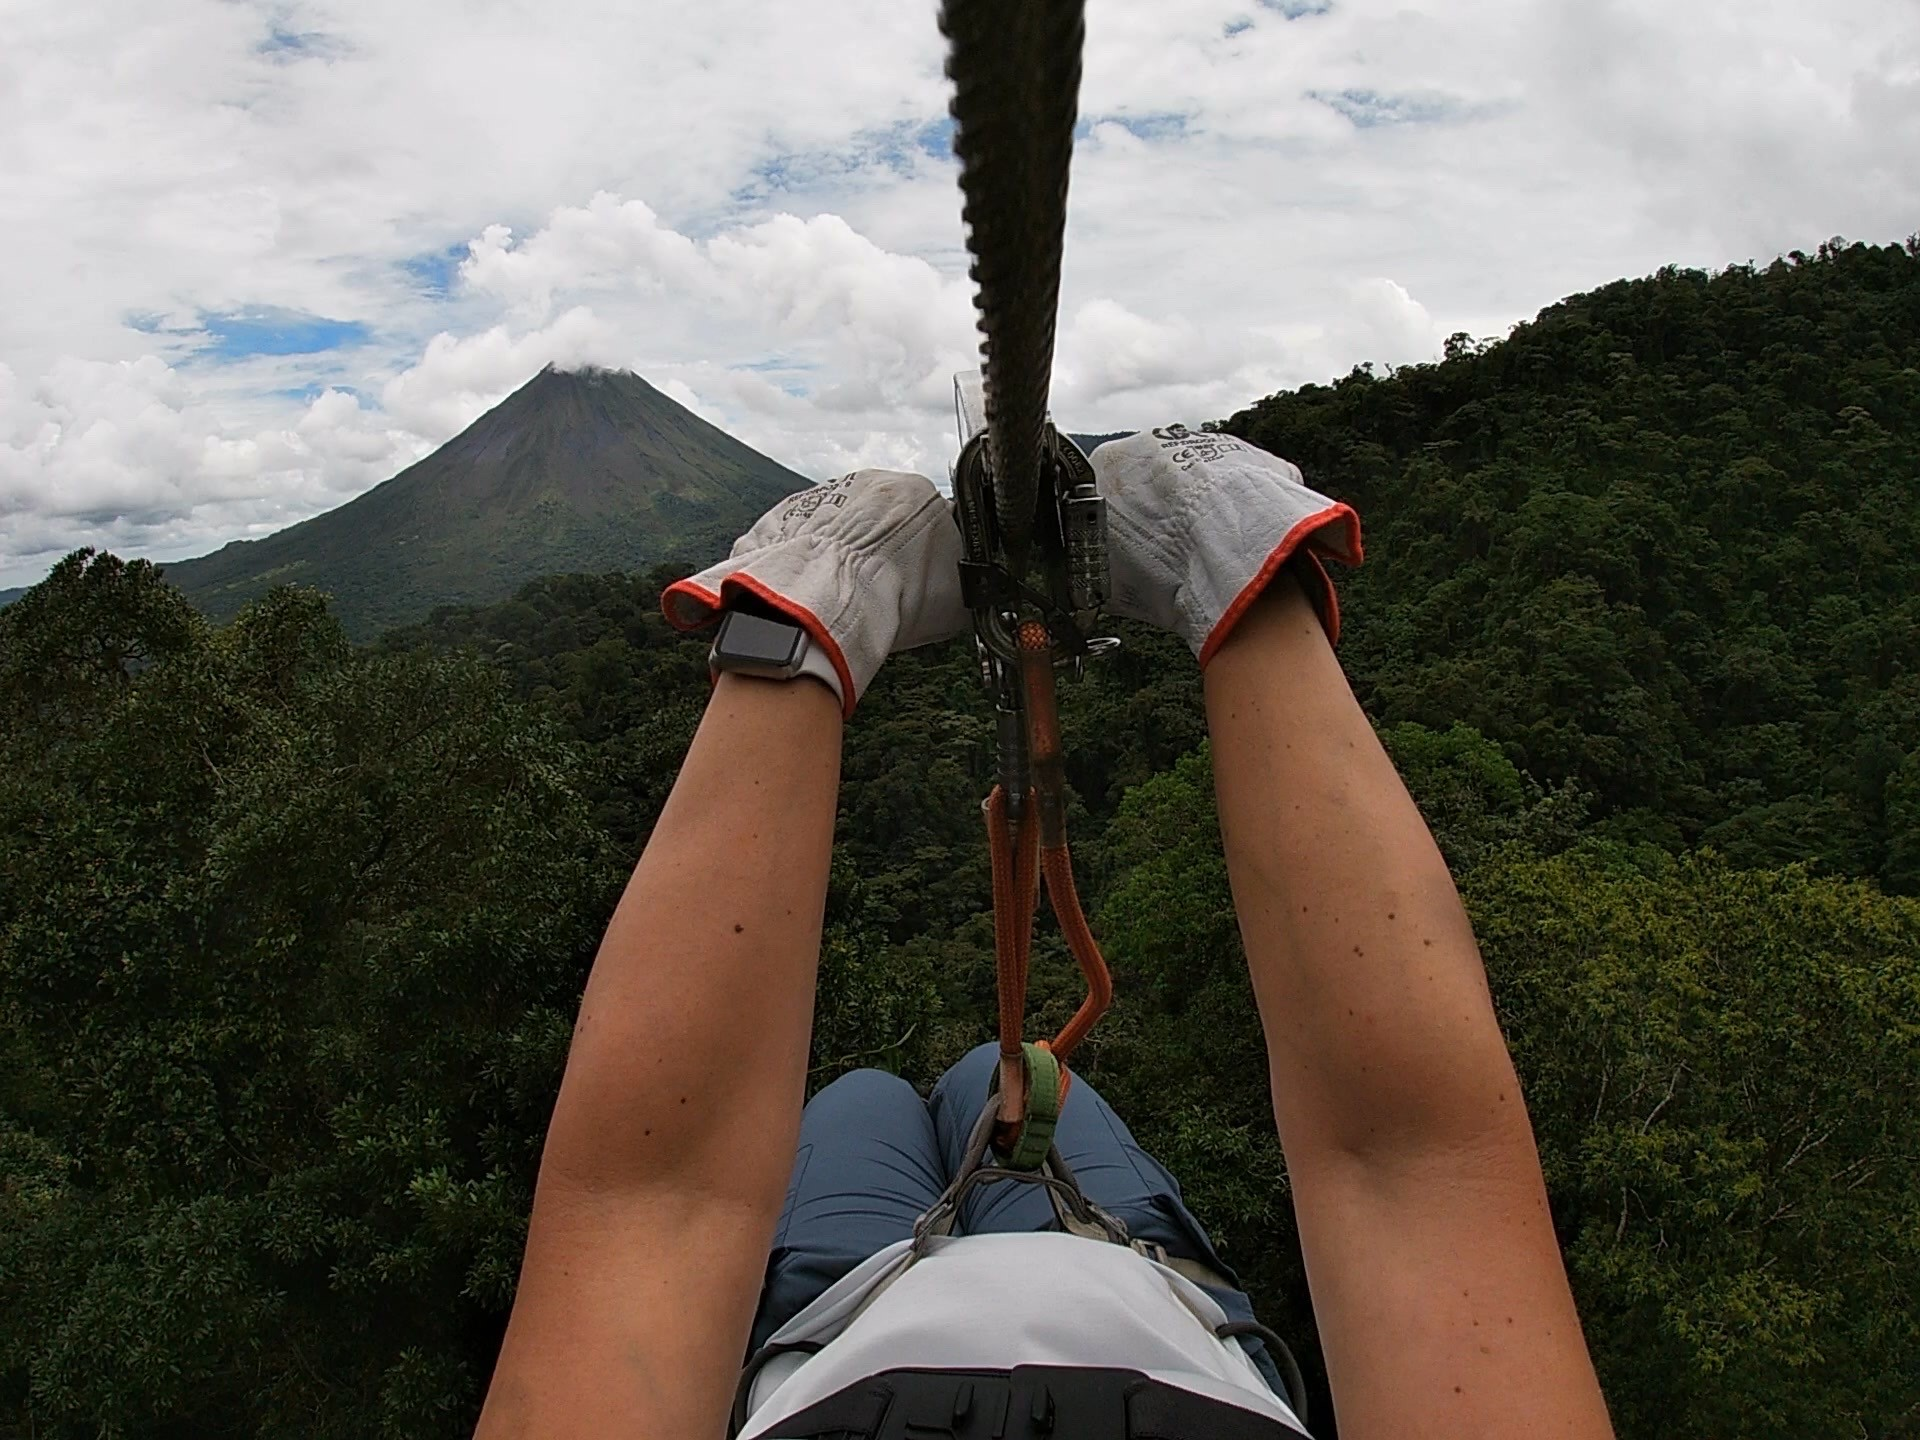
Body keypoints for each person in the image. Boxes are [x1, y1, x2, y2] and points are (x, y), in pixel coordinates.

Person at [471, 430, 1617, 1440]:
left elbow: (653, 1205)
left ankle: (832, 597)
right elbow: (1410, 1173)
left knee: (871, 1095)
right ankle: (1196, 567)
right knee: (1000, 1076)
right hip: (1076, 1302)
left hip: (889, 1323)